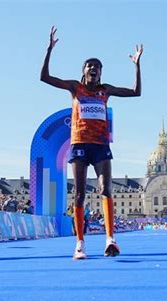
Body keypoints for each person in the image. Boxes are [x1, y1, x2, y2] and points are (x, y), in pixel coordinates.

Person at [40, 26, 143, 259]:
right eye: (90, 66)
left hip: (100, 145)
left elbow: (136, 92)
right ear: (84, 70)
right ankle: (80, 244)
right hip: (79, 144)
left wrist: (137, 65)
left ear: (101, 72)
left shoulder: (105, 90)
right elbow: (44, 78)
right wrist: (49, 50)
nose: (93, 69)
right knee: (78, 194)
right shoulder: (75, 88)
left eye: (97, 66)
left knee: (105, 188)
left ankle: (110, 240)